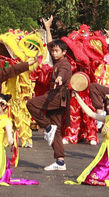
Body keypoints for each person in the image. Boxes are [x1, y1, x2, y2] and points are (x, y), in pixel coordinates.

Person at [25, 40, 74, 171]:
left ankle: (47, 127)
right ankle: (60, 161)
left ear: (64, 52)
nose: (54, 53)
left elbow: (63, 73)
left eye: (57, 51)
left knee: (31, 104)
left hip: (57, 95)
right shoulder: (57, 61)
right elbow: (50, 43)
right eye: (53, 51)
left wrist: (59, 78)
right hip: (55, 94)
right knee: (56, 130)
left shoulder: (64, 64)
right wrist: (47, 28)